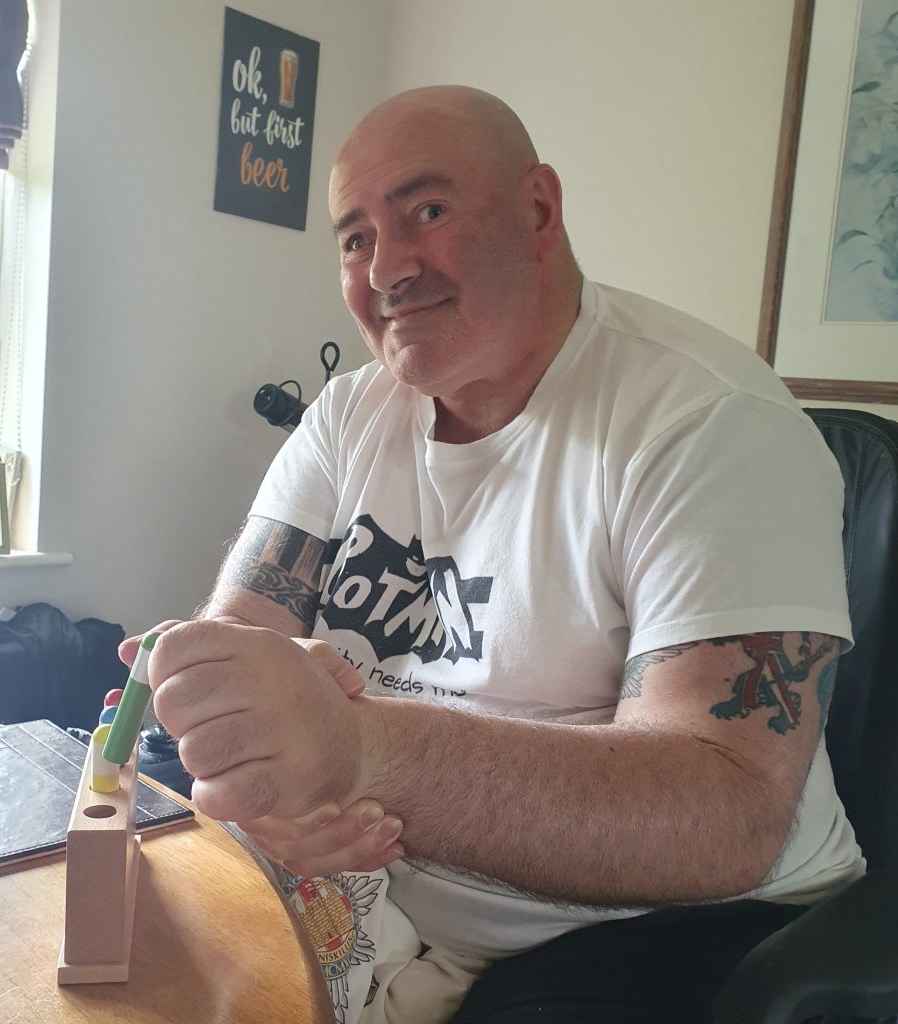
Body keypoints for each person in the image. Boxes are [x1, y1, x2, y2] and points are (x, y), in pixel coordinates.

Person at [125, 87, 862, 1023]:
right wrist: (255, 758)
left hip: (657, 932)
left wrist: (353, 752)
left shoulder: (710, 422)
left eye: (427, 211)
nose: (387, 268)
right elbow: (243, 637)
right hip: (378, 898)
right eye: (355, 239)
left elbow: (728, 811)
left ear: (539, 211)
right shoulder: (349, 416)